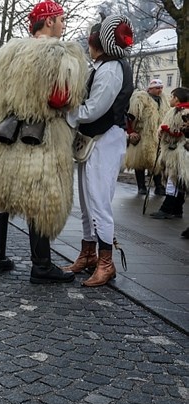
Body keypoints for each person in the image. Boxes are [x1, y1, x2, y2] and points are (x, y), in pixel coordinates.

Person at [0, 0, 87, 283]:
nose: (63, 25)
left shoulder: (6, 54)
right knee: (41, 199)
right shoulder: (58, 54)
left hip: (6, 135)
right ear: (49, 21)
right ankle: (41, 266)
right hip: (43, 138)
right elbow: (60, 99)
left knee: (2, 198)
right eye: (61, 19)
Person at [65, 15, 135, 287]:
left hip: (105, 140)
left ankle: (106, 262)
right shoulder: (105, 66)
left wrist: (68, 114)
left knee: (98, 202)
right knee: (86, 201)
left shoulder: (111, 69)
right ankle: (89, 254)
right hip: (98, 139)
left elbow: (95, 108)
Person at [124, 78, 170, 195]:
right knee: (139, 161)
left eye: (161, 88)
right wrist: (131, 132)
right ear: (150, 88)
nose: (160, 90)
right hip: (142, 134)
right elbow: (131, 116)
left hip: (158, 136)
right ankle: (141, 186)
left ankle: (159, 186)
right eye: (157, 88)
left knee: (157, 161)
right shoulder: (140, 98)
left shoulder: (164, 100)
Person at [149, 87, 189, 222]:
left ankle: (166, 208)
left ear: (177, 99)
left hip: (178, 151)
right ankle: (177, 209)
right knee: (177, 180)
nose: (170, 99)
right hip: (175, 150)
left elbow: (180, 131)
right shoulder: (178, 111)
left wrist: (166, 130)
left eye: (172, 97)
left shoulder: (182, 112)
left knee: (174, 179)